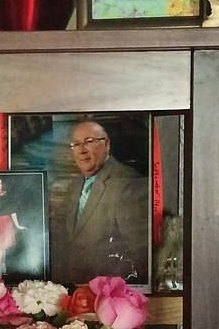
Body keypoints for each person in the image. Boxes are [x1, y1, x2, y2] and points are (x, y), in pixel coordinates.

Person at [50, 119, 149, 286]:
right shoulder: (76, 184)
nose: (81, 150)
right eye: (75, 144)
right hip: (73, 288)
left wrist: (108, 291)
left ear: (107, 144)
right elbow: (60, 228)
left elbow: (140, 255)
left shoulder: (127, 183)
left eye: (89, 142)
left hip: (104, 293)